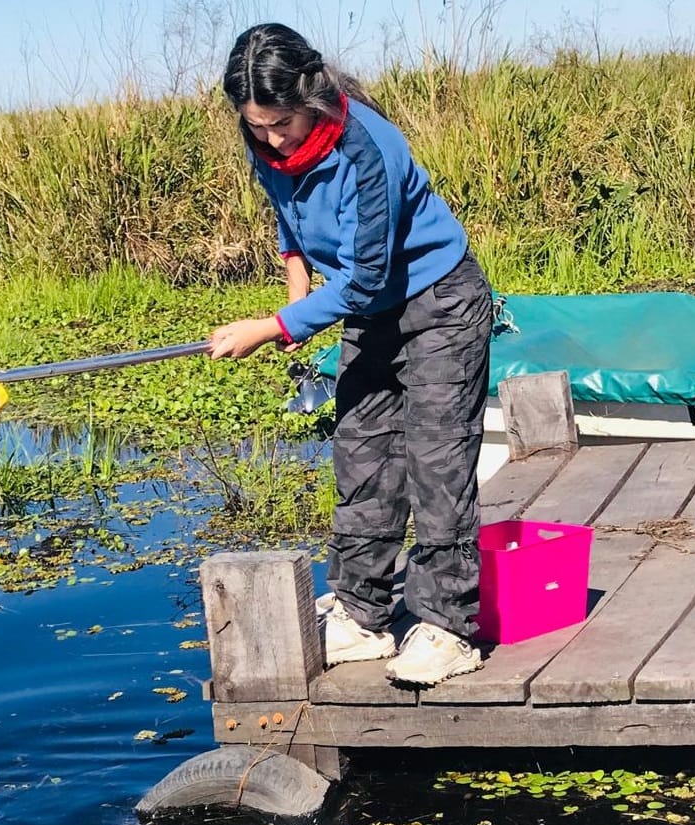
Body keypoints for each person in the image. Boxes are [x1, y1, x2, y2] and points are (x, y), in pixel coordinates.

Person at [208, 22, 493, 686]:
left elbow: (365, 278)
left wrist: (273, 327)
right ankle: (363, 616)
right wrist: (296, 288)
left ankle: (447, 627)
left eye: (282, 124)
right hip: (371, 311)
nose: (272, 140)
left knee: (436, 460)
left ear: (309, 96)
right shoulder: (264, 140)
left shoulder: (367, 148)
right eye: (257, 127)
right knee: (361, 454)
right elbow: (287, 213)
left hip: (438, 302)